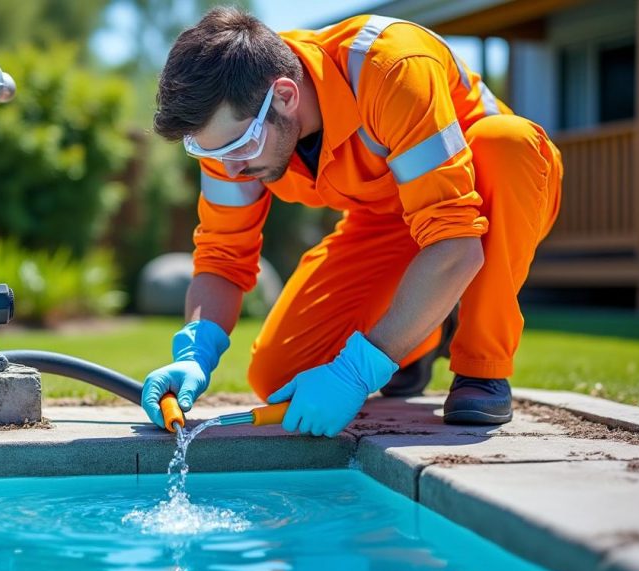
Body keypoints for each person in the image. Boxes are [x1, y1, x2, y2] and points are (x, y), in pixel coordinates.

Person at [140, 7, 563, 436]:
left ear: (285, 96)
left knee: (506, 143)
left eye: (240, 147)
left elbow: (456, 242)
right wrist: (195, 353)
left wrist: (356, 372)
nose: (230, 169)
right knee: (279, 377)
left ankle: (480, 368)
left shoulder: (391, 68)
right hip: (387, 219)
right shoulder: (231, 134)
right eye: (212, 154)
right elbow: (222, 257)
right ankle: (426, 334)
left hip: (485, 201)